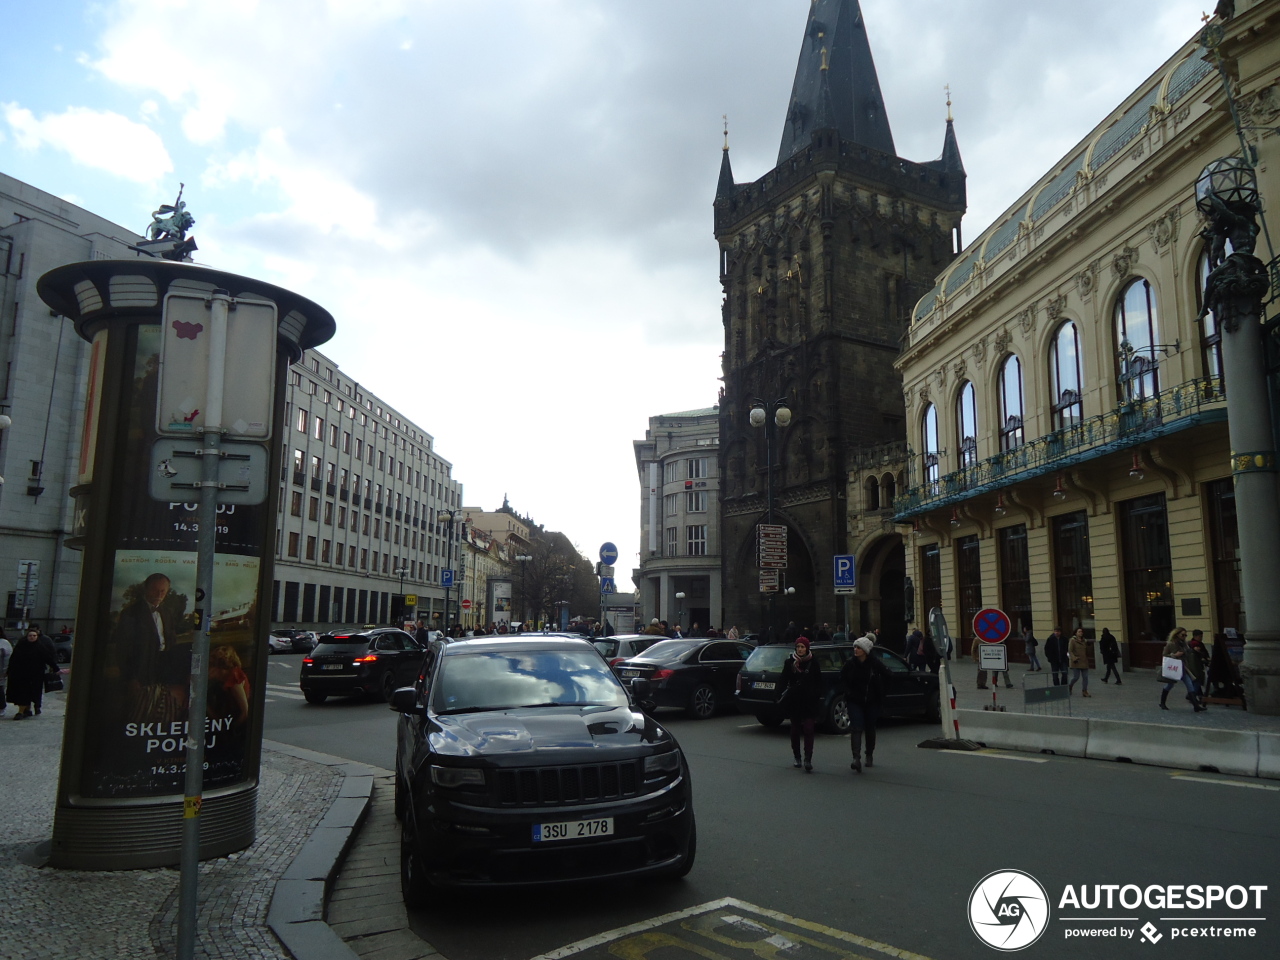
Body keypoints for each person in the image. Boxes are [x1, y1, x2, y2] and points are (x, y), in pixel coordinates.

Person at [114, 573, 190, 723]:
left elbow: (171, 640)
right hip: (141, 668)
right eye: (155, 590)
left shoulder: (167, 612)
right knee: (140, 709)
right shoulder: (131, 613)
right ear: (146, 589)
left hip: (164, 667)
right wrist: (131, 678)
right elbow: (123, 649)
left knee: (160, 707)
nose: (159, 594)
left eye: (163, 591)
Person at [841, 635, 890, 773]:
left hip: (871, 701)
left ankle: (869, 754)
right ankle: (856, 758)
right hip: (854, 701)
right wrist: (848, 693)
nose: (855, 650)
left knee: (869, 727)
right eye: (855, 647)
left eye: (858, 648)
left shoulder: (874, 663)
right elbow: (842, 678)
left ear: (866, 650)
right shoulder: (850, 663)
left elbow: (889, 675)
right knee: (856, 728)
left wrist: (882, 692)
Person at [777, 636, 822, 772]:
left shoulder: (814, 662)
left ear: (807, 648)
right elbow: (783, 680)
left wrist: (815, 695)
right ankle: (797, 757)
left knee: (809, 729)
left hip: (809, 701)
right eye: (798, 647)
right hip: (795, 701)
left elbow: (819, 681)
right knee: (795, 730)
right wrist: (777, 694)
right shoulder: (790, 663)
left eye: (802, 647)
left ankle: (808, 759)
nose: (800, 649)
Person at [9, 626, 58, 720]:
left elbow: (48, 658)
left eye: (34, 636)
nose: (32, 637)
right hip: (22, 674)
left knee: (34, 692)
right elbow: (14, 659)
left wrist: (56, 668)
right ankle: (21, 711)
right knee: (23, 692)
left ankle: (30, 708)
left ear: (37, 637)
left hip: (36, 675)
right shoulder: (21, 646)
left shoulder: (40, 647)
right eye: (30, 635)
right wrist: (9, 671)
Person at [1161, 627, 1205, 712]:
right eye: (1182, 635)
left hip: (1183, 668)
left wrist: (1193, 651)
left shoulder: (1185, 644)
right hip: (1174, 668)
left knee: (1190, 685)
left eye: (1185, 635)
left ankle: (1196, 706)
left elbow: (1188, 653)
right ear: (1177, 635)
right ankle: (1162, 703)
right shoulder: (1170, 644)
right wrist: (1174, 655)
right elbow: (1164, 655)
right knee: (1170, 685)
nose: (1184, 636)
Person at [1067, 627, 1092, 697]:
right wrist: (1074, 658)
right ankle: (1070, 686)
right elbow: (1070, 650)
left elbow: (1087, 651)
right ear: (1076, 633)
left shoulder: (1084, 641)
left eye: (1081, 632)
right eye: (1079, 631)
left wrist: (1089, 646)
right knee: (1076, 677)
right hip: (1076, 661)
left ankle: (1084, 691)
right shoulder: (1072, 640)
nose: (1080, 633)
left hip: (1084, 661)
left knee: (1085, 677)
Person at [1187, 630, 1211, 702]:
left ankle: (1199, 695)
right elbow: (1200, 653)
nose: (1201, 638)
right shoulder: (1195, 644)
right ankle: (1191, 696)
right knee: (1197, 680)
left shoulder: (1194, 643)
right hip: (1196, 665)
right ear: (1195, 636)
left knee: (1197, 681)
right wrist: (1205, 658)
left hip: (1195, 665)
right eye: (1200, 636)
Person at [0, 630, 12, 717]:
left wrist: (5, 670)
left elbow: (8, 658)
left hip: (0, 670)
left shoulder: (4, 643)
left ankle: (1, 707)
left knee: (0, 689)